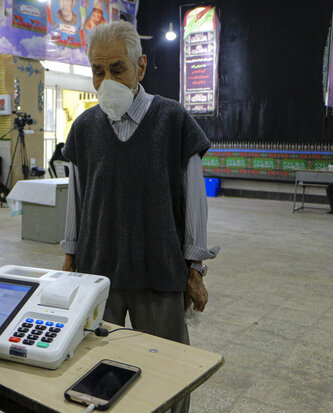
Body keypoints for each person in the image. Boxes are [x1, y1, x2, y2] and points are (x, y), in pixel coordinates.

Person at [60, 22, 218, 413]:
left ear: (141, 68)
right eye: (98, 71)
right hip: (99, 273)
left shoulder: (173, 120)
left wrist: (194, 269)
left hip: (158, 271)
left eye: (118, 69)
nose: (107, 80)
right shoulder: (84, 127)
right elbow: (76, 202)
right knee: (94, 371)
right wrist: (69, 259)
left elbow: (195, 201)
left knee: (169, 372)